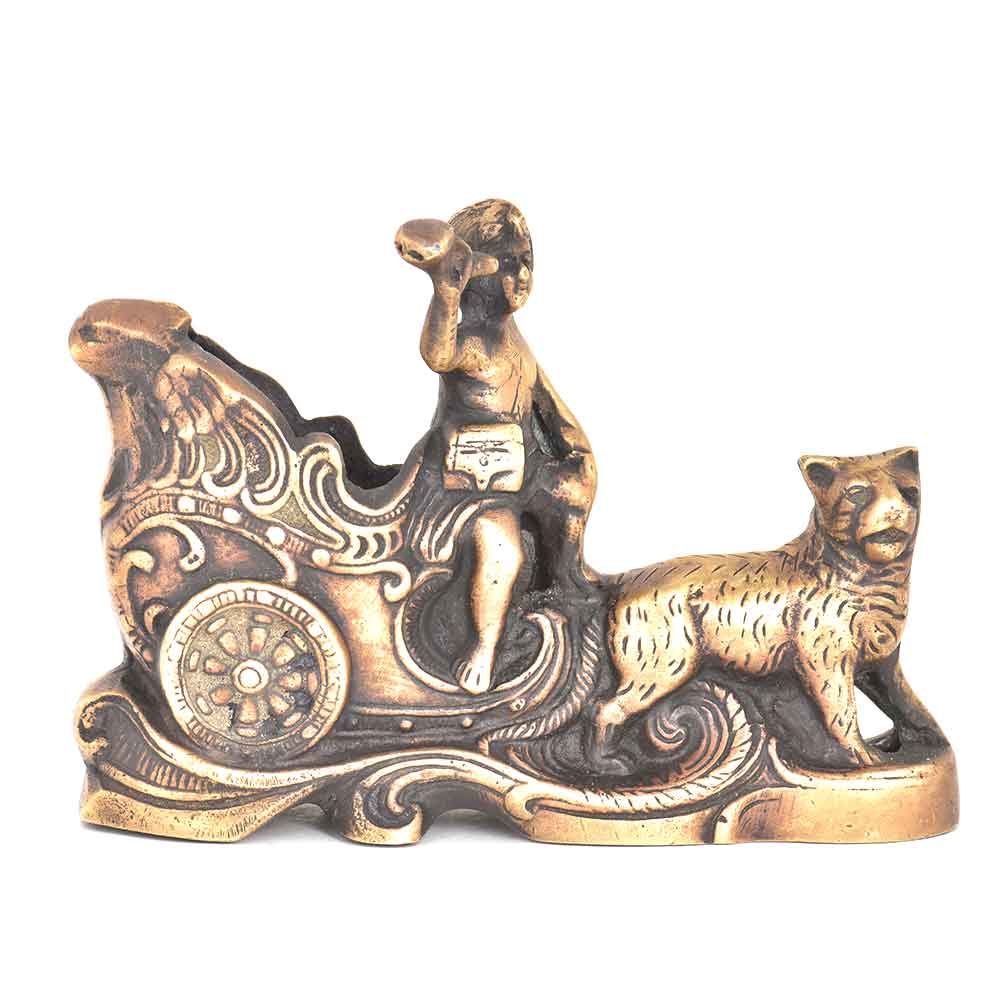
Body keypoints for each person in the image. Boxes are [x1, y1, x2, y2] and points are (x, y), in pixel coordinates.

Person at [397, 199, 596, 695]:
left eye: (527, 260)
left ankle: (566, 587)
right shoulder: (472, 340)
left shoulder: (511, 339)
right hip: (467, 489)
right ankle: (484, 648)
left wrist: (575, 450)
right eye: (508, 262)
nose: (522, 275)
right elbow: (438, 354)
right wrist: (445, 292)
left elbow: (544, 398)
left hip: (519, 473)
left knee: (571, 492)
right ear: (475, 271)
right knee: (502, 547)